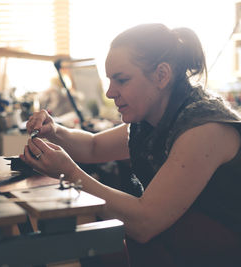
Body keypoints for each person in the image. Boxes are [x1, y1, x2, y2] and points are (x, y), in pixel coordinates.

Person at [20, 23, 241, 267]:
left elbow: (144, 222)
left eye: (122, 80)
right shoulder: (153, 119)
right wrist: (55, 130)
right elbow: (93, 146)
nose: (110, 92)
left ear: (161, 76)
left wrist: (70, 174)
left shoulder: (203, 129)